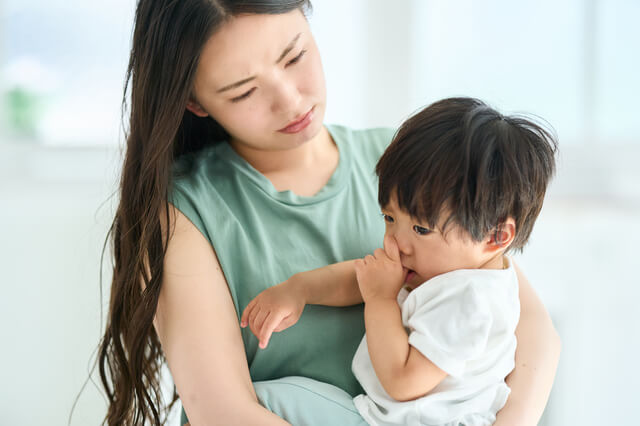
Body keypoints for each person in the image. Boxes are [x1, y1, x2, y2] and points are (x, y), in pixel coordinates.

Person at [96, 1, 561, 425]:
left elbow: (531, 331)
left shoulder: (403, 165)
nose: (291, 100)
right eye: (243, 92)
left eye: (294, 56)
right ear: (193, 101)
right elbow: (224, 414)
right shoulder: (183, 212)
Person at [241, 97, 558, 425]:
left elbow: (402, 381)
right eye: (389, 217)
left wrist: (380, 301)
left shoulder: (470, 301)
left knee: (264, 401)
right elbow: (365, 276)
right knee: (268, 399)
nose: (395, 241)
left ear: (496, 237)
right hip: (389, 416)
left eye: (420, 228)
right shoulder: (454, 264)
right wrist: (300, 289)